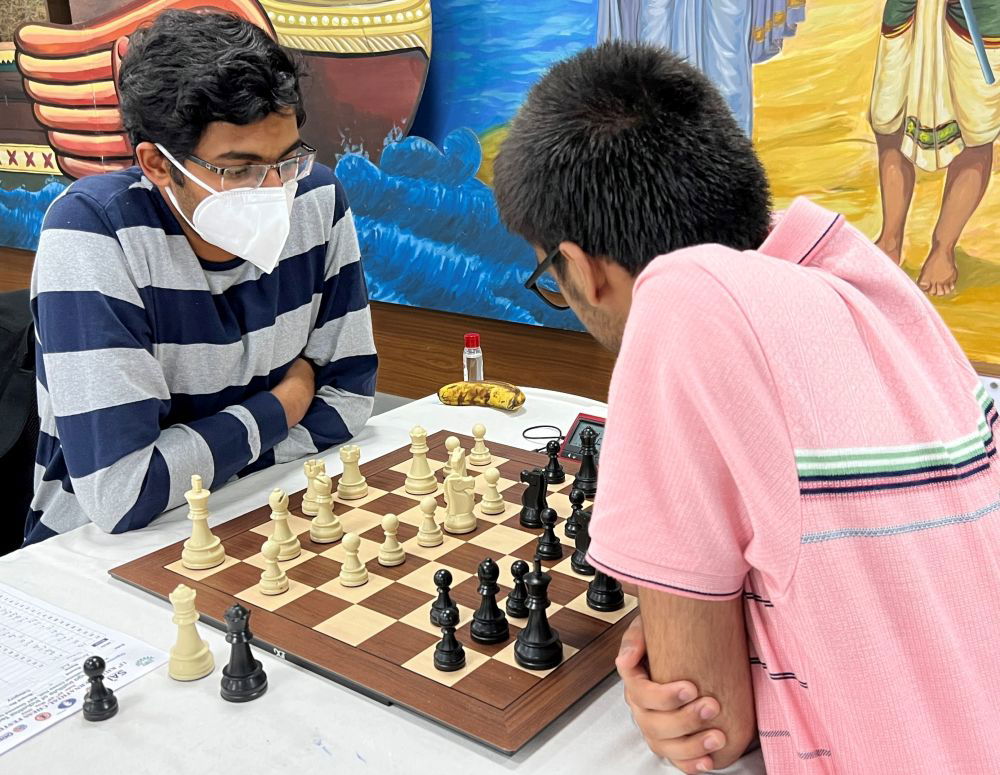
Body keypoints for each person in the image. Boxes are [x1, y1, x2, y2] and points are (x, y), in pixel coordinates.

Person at [493, 41, 1000, 774]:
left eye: (550, 276)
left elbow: (710, 723)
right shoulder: (858, 274)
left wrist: (673, 628)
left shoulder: (679, 303)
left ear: (581, 267)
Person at [25, 10, 377, 545]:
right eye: (239, 169)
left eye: (287, 159)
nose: (274, 190)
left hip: (263, 513)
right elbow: (123, 493)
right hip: (99, 550)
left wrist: (207, 464)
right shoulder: (94, 231)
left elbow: (349, 400)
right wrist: (288, 401)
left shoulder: (317, 198)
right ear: (157, 164)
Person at [870, 0, 1000, 296]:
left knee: (975, 129)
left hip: (979, 16)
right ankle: (890, 239)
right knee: (890, 117)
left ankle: (943, 247)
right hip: (908, 9)